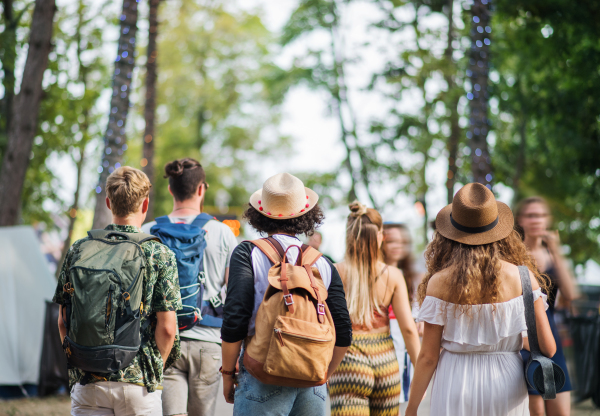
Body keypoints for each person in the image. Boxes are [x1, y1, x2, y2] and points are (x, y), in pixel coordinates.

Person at [405, 183, 557, 416]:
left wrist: (412, 408)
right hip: (506, 385)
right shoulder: (523, 279)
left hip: (454, 380)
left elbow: (427, 357)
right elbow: (548, 348)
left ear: (449, 235)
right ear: (500, 232)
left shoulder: (439, 282)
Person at [220, 172, 352, 416]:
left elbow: (234, 319)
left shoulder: (247, 253)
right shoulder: (323, 264)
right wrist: (323, 375)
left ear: (260, 214)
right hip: (312, 379)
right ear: (306, 214)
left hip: (262, 375)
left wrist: (228, 374)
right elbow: (343, 331)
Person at [54, 166, 181, 416]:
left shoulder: (79, 249)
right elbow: (167, 328)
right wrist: (154, 368)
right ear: (144, 206)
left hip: (88, 382)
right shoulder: (158, 252)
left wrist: (81, 361)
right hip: (139, 384)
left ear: (108, 203)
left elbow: (63, 321)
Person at [142, 158, 238, 416]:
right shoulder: (223, 233)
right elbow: (236, 296)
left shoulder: (148, 231)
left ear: (171, 189)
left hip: (163, 338)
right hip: (208, 342)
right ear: (201, 189)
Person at [329, 202, 421, 416]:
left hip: (347, 364)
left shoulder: (335, 272)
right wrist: (419, 373)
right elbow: (408, 330)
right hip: (386, 364)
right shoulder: (393, 275)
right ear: (380, 237)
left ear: (349, 236)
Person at [516, 196, 576, 416]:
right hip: (522, 338)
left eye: (541, 215)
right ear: (520, 219)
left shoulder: (552, 253)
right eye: (531, 215)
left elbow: (570, 296)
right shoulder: (513, 255)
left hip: (551, 336)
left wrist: (557, 250)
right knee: (536, 412)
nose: (536, 220)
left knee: (561, 411)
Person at [381, 222, 424, 404]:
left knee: (397, 402)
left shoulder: (416, 276)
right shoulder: (373, 274)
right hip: (381, 343)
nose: (397, 246)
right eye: (391, 241)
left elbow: (421, 311)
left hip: (405, 345)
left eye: (401, 241)